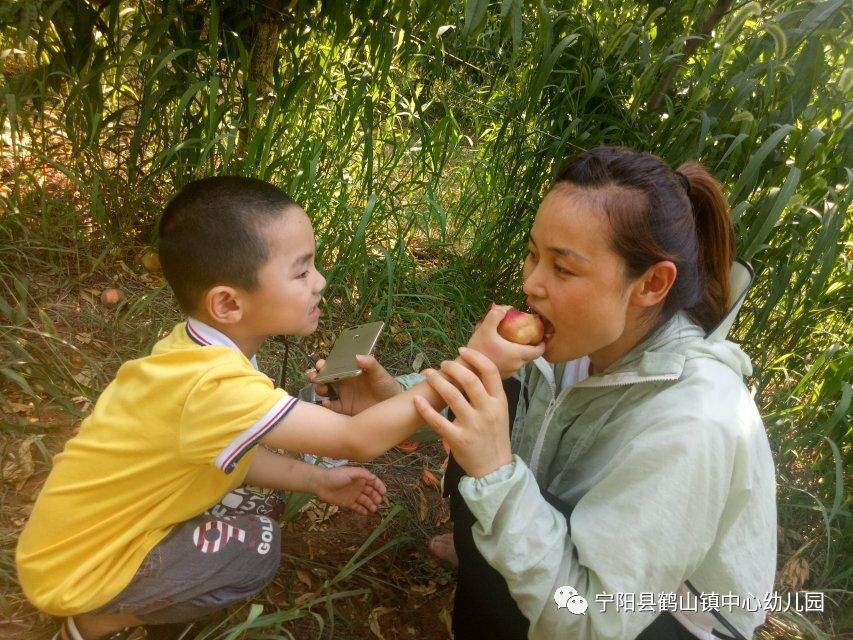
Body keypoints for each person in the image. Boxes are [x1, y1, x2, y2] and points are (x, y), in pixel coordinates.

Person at [15, 176, 543, 640]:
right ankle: (93, 622)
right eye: (301, 271)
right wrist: (477, 365)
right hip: (74, 571)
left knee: (251, 505)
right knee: (252, 553)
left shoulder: (189, 352)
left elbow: (217, 456)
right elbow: (356, 440)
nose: (320, 282)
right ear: (228, 303)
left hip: (66, 547)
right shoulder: (213, 387)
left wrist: (312, 482)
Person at [311, 147, 778, 639]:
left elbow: (593, 620)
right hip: (581, 539)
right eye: (534, 254)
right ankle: (484, 573)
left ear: (652, 284)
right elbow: (501, 410)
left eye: (563, 268)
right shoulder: (581, 338)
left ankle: (493, 582)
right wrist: (399, 399)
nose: (531, 283)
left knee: (489, 488)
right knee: (496, 431)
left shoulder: (694, 424)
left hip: (660, 618)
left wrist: (494, 473)